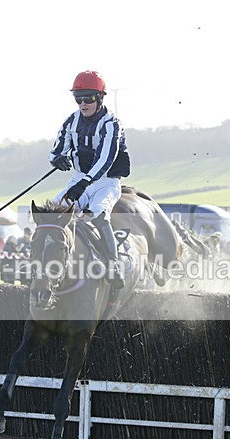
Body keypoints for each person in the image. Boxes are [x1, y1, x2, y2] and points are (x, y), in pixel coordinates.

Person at [49, 70, 130, 289]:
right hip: (78, 179)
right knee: (51, 213)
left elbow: (105, 159)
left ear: (100, 98)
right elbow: (57, 149)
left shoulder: (112, 124)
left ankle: (113, 266)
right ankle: (43, 267)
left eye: (88, 98)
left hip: (105, 182)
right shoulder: (71, 121)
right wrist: (57, 159)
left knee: (98, 216)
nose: (83, 104)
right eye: (78, 98)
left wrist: (82, 184)